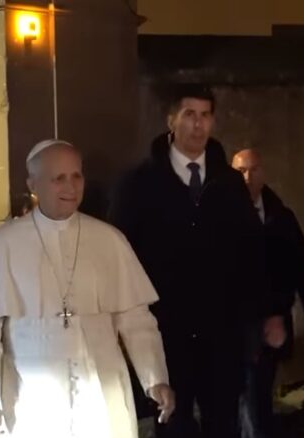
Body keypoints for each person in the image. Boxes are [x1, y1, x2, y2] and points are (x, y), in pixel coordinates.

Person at [0, 140, 175, 438]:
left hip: (102, 393)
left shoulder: (109, 240)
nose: (70, 186)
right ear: (33, 184)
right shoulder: (1, 246)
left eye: (76, 176)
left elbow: (136, 320)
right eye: (58, 178)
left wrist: (155, 378)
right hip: (33, 397)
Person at [109, 86, 270, 438]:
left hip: (221, 332)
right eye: (189, 114)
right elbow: (121, 255)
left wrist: (259, 316)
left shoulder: (228, 182)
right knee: (173, 423)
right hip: (166, 332)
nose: (197, 125)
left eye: (205, 115)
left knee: (223, 421)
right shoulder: (140, 183)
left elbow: (252, 253)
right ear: (171, 120)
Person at [231, 149, 304, 437]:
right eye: (240, 171)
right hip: (239, 326)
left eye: (253, 170)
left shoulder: (281, 217)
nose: (247, 178)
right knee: (248, 395)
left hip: (274, 326)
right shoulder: (221, 219)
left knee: (259, 392)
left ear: (263, 173)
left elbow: (303, 269)